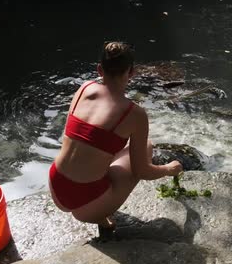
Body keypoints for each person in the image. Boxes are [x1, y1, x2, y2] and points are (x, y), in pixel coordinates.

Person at [48, 41, 183, 237]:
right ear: (131, 73)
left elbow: (79, 140)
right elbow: (142, 171)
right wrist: (168, 169)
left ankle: (97, 209)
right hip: (86, 204)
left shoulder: (84, 89)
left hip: (56, 184)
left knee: (97, 146)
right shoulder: (134, 114)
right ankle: (99, 215)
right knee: (146, 148)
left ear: (100, 69)